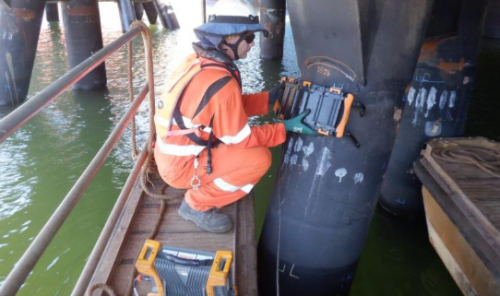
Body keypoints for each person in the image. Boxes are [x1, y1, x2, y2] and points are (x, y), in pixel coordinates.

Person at [154, 0, 316, 233]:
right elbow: (240, 139)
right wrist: (286, 128)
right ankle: (197, 204)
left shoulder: (199, 63)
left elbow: (222, 108)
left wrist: (266, 101)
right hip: (181, 168)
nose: (252, 44)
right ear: (229, 38)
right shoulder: (221, 83)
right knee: (259, 159)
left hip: (169, 156)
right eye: (249, 37)